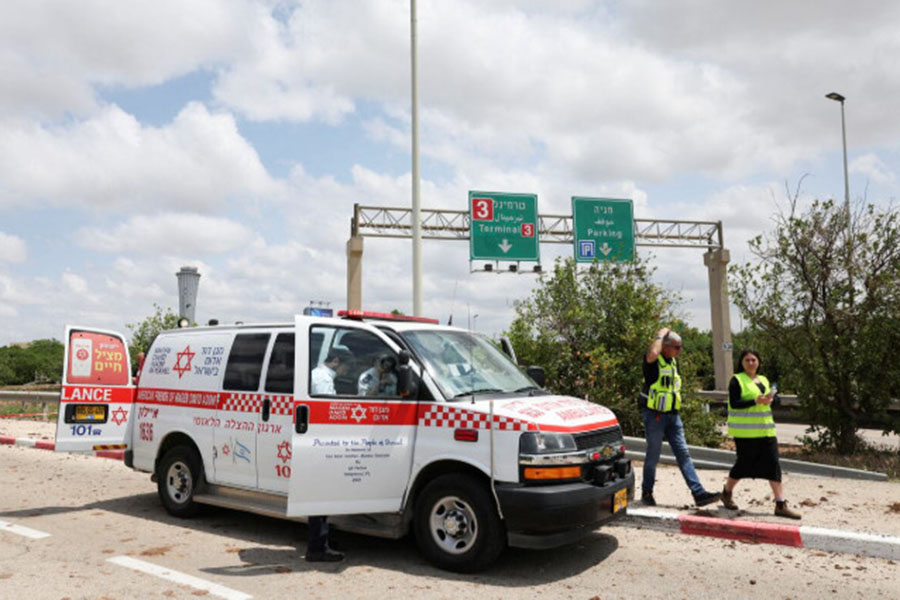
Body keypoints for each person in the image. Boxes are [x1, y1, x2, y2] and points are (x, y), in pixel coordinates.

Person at [640, 327, 721, 507]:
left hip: (673, 416)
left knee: (683, 454)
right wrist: (660, 334)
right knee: (653, 455)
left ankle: (698, 493)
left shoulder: (673, 363)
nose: (680, 351)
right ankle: (647, 492)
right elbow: (653, 353)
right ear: (665, 346)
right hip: (655, 416)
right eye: (676, 347)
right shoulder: (653, 360)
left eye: (681, 347)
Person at [721, 349, 801, 519]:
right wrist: (755, 401)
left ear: (759, 362)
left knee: (773, 465)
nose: (751, 363)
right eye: (747, 360)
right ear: (742, 362)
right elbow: (735, 403)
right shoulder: (737, 380)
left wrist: (772, 399)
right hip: (745, 433)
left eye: (754, 360)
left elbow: (776, 402)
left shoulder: (764, 380)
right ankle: (727, 492)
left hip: (766, 431)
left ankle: (780, 504)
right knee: (743, 466)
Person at [306, 347, 353, 562]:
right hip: (322, 443)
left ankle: (321, 542)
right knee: (320, 499)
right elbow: (326, 412)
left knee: (319, 498)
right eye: (346, 366)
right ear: (336, 360)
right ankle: (317, 548)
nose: (346, 371)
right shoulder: (323, 379)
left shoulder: (316, 374)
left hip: (315, 442)